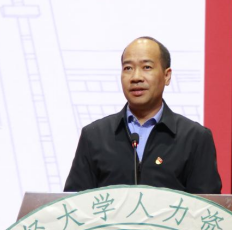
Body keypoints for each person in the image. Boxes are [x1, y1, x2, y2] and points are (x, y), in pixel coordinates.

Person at [64, 37, 222, 194]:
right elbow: (73, 202)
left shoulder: (195, 138)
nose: (136, 77)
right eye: (128, 68)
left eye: (146, 67)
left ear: (167, 76)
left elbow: (207, 205)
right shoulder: (94, 136)